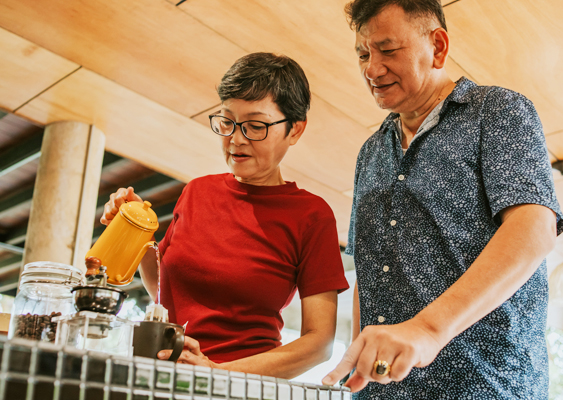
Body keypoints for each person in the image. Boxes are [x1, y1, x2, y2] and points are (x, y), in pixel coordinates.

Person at [322, 1, 562, 399]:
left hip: (486, 388)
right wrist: (357, 372)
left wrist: (427, 329)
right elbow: (370, 271)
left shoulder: (498, 111)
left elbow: (535, 229)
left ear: (437, 46)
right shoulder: (371, 151)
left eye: (388, 49)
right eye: (363, 54)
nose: (371, 68)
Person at [101, 52, 349, 378]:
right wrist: (135, 230)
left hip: (240, 385)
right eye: (227, 121)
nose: (236, 139)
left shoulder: (311, 216)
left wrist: (217, 373)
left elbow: (319, 344)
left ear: (295, 130)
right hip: (164, 376)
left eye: (256, 125)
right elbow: (165, 291)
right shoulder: (197, 191)